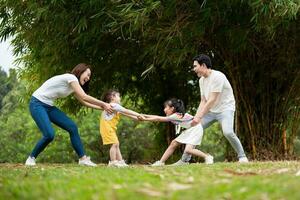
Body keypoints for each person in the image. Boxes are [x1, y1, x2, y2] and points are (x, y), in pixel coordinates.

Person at [25, 63, 113, 167]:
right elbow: (84, 97)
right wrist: (104, 104)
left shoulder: (74, 85)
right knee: (49, 135)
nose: (88, 78)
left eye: (90, 76)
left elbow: (84, 102)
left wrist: (103, 108)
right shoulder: (71, 78)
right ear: (81, 71)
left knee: (72, 127)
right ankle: (31, 158)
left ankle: (83, 159)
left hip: (48, 106)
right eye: (87, 74)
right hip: (37, 104)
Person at [173, 54, 249, 165]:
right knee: (194, 128)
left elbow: (212, 99)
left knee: (228, 132)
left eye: (195, 66)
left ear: (203, 65)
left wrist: (199, 117)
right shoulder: (201, 81)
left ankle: (242, 157)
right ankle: (184, 160)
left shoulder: (218, 76)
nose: (194, 69)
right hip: (211, 111)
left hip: (225, 109)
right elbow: (203, 101)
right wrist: (196, 118)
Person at [140, 98, 213, 166]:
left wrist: (145, 119)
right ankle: (164, 162)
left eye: (166, 107)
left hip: (195, 129)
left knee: (188, 149)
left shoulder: (176, 115)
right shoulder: (175, 115)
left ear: (172, 108)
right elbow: (157, 116)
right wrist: (144, 115)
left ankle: (207, 157)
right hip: (190, 129)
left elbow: (158, 118)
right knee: (174, 143)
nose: (164, 110)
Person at [100, 89, 144, 167]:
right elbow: (127, 111)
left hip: (109, 128)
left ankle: (120, 161)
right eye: (118, 96)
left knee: (116, 144)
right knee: (114, 144)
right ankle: (113, 162)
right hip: (107, 128)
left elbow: (127, 114)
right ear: (113, 97)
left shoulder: (115, 107)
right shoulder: (114, 105)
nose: (120, 98)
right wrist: (138, 114)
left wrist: (137, 118)